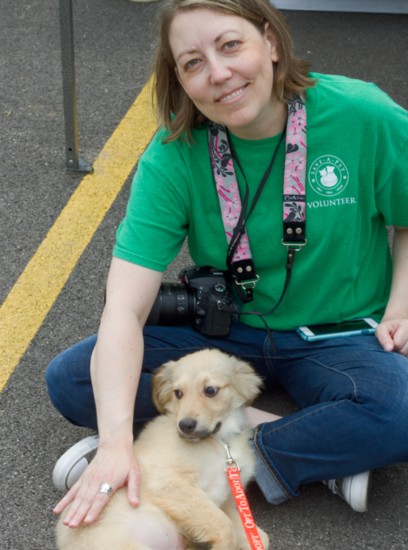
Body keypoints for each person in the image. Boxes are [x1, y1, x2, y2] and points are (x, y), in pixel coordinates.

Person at [46, 0, 408, 543]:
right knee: (74, 378)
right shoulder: (173, 153)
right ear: (180, 81)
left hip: (335, 332)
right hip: (226, 332)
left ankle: (171, 457)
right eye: (192, 63)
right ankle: (312, 452)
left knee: (398, 411)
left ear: (272, 42)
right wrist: (118, 439)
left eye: (230, 45)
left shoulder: (363, 114)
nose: (218, 73)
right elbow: (124, 305)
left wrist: (402, 303)